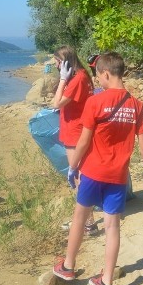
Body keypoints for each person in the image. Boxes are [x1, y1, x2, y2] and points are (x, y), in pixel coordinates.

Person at [52, 52, 143, 285]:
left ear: (106, 74)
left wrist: (73, 167)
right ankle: (107, 282)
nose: (97, 80)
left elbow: (83, 140)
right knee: (112, 226)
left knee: (80, 218)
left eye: (98, 76)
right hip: (118, 176)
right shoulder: (137, 105)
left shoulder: (95, 102)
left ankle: (68, 266)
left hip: (92, 171)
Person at [50, 46, 96, 233]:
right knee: (80, 176)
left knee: (77, 178)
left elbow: (56, 103)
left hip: (75, 133)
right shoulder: (80, 76)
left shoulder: (78, 79)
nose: (55, 66)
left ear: (65, 62)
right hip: (75, 131)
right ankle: (85, 219)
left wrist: (62, 79)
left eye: (57, 63)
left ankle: (87, 222)